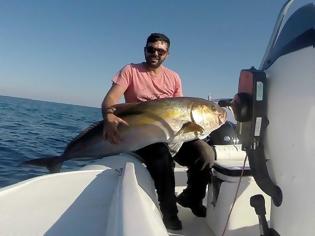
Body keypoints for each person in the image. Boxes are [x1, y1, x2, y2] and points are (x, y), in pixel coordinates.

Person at [102, 33, 214, 230]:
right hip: (142, 134)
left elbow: (181, 110)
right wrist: (108, 117)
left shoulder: (174, 78)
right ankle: (169, 211)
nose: (154, 53)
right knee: (162, 156)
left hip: (170, 133)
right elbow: (110, 100)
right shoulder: (130, 70)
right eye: (150, 49)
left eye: (160, 51)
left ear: (167, 54)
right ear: (145, 50)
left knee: (205, 154)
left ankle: (192, 198)